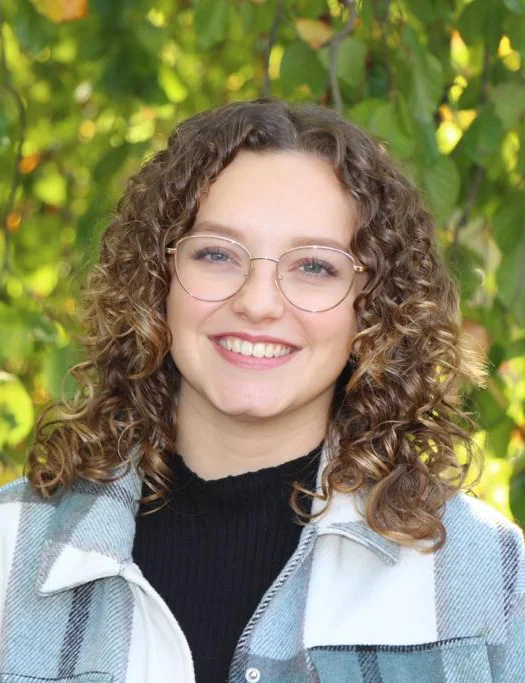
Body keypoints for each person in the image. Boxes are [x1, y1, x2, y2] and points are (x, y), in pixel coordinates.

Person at [0, 97, 523, 683]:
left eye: (315, 266)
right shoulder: (9, 552)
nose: (257, 302)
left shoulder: (494, 583)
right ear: (158, 279)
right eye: (217, 254)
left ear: (373, 306)